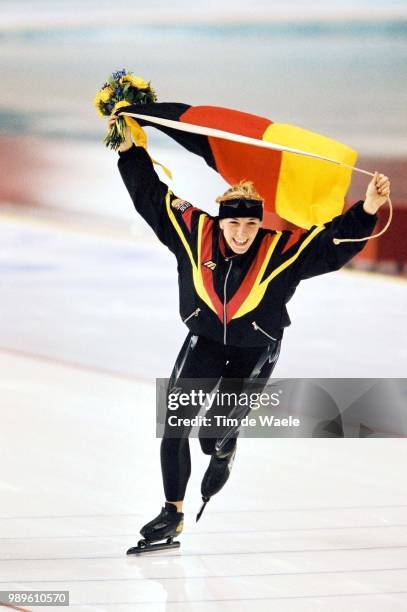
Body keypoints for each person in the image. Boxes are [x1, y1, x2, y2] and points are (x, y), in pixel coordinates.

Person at [108, 114, 390, 554]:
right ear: (220, 222)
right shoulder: (192, 232)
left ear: (260, 225)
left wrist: (367, 208)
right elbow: (151, 196)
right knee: (175, 427)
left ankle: (224, 450)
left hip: (255, 349)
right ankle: (172, 513)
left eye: (250, 226)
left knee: (210, 438)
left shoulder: (282, 250)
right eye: (233, 225)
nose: (241, 234)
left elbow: (330, 246)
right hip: (204, 339)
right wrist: (129, 150)